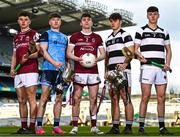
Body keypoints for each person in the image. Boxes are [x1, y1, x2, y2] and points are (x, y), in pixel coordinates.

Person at [134, 6, 172, 135]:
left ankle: (162, 128)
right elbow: (135, 49)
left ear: (158, 15)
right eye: (150, 14)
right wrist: (140, 56)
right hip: (147, 68)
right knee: (145, 97)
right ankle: (141, 127)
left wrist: (167, 64)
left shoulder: (164, 31)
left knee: (161, 98)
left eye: (155, 14)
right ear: (147, 16)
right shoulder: (141, 30)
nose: (152, 16)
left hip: (161, 68)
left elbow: (168, 50)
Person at [67, 13, 106, 135]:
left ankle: (94, 127)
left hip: (93, 71)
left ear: (92, 22)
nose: (86, 22)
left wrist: (97, 59)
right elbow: (68, 53)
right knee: (76, 99)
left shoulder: (98, 37)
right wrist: (77, 59)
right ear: (81, 23)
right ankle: (74, 127)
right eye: (84, 20)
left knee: (93, 99)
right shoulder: (74, 36)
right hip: (79, 71)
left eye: (89, 20)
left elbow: (103, 54)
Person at [36, 12, 69, 135]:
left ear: (60, 22)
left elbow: (66, 54)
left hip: (61, 72)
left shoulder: (65, 37)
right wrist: (54, 62)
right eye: (53, 20)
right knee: (44, 97)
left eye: (58, 20)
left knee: (59, 99)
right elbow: (43, 51)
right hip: (48, 69)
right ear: (50, 22)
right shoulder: (46, 34)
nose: (56, 22)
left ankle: (56, 126)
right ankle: (39, 126)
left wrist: (68, 67)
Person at [104, 13, 134, 134]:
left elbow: (131, 52)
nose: (113, 23)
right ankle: (115, 127)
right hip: (111, 72)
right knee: (114, 98)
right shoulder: (108, 38)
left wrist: (125, 64)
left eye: (115, 20)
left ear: (120, 21)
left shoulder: (125, 35)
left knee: (126, 97)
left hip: (123, 71)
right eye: (111, 21)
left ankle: (128, 127)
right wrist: (105, 71)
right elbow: (107, 57)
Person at [10, 11, 40, 134]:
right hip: (19, 71)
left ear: (29, 21)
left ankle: (32, 127)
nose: (23, 21)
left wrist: (28, 57)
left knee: (31, 98)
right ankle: (23, 127)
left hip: (31, 70)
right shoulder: (16, 37)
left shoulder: (34, 34)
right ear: (18, 21)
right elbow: (14, 55)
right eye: (21, 19)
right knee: (21, 100)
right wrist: (12, 68)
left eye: (26, 19)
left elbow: (38, 52)